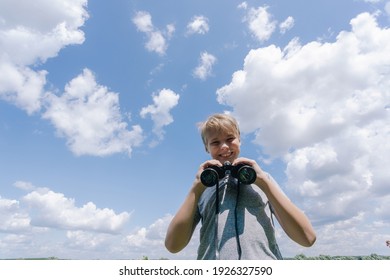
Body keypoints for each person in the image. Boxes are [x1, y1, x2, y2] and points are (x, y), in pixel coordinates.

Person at [165, 113, 316, 259]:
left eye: (230, 139)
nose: (224, 146)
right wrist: (195, 189)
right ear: (207, 148)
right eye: (215, 142)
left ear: (240, 140)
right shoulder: (202, 187)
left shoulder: (264, 180)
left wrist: (263, 182)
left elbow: (307, 238)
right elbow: (173, 246)